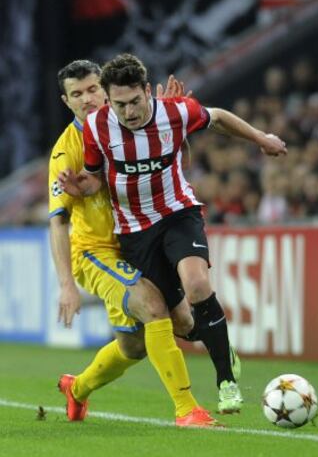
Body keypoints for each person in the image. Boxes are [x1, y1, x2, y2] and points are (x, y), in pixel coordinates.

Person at [59, 54, 287, 413]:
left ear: (147, 91)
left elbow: (219, 118)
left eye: (136, 101)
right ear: (109, 100)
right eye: (120, 104)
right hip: (135, 232)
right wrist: (80, 187)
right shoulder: (97, 127)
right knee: (182, 322)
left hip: (178, 212)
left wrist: (261, 138)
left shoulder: (176, 111)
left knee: (198, 284)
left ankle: (226, 382)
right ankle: (219, 342)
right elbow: (96, 178)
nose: (130, 111)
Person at [49, 59, 220, 427]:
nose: (87, 99)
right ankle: (187, 409)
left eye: (93, 89)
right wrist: (66, 285)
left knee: (138, 344)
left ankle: (77, 388)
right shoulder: (68, 150)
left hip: (141, 240)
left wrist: (169, 122)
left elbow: (172, 159)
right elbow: (58, 221)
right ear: (67, 102)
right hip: (98, 250)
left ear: (107, 90)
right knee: (152, 307)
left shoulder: (130, 122)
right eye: (76, 95)